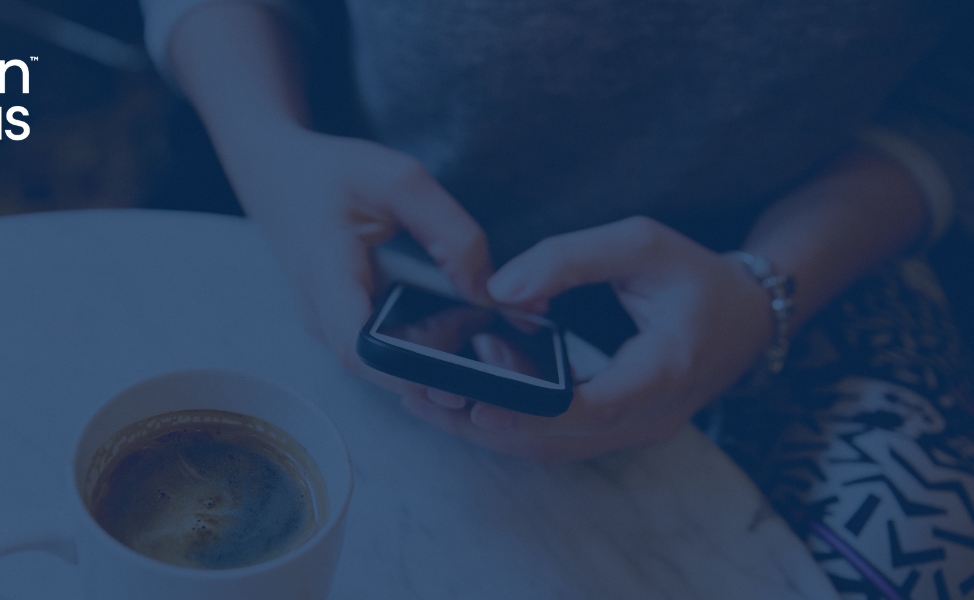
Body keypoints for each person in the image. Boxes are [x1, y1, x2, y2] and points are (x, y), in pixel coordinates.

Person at [140, 0, 974, 596]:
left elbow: (952, 92)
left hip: (793, 250)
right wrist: (269, 146)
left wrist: (764, 297)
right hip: (344, 211)